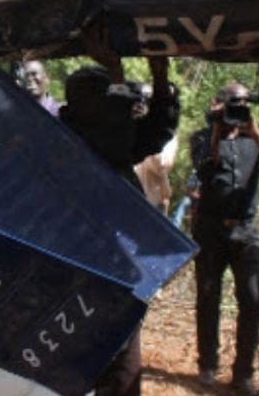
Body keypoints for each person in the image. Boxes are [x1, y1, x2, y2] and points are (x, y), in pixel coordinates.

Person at [58, 29, 179, 396]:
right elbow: (115, 126)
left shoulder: (115, 139)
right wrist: (116, 71)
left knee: (124, 364)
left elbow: (156, 130)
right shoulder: (68, 139)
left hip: (120, 267)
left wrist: (159, 79)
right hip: (82, 266)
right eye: (110, 96)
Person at [190, 83, 259, 395]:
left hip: (246, 231)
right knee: (207, 298)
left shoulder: (258, 137)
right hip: (210, 229)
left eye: (245, 104)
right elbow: (205, 170)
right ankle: (207, 364)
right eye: (235, 104)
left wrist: (255, 133)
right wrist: (218, 129)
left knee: (253, 301)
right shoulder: (203, 137)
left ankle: (243, 371)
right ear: (219, 105)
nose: (239, 110)